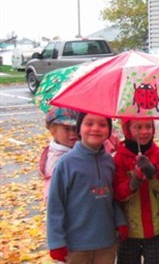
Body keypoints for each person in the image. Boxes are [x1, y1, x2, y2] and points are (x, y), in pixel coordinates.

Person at [47, 112, 127, 264]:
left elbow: (111, 197)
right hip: (76, 246)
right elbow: (55, 206)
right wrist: (56, 242)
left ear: (109, 131)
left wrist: (120, 221)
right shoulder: (66, 164)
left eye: (102, 125)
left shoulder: (109, 162)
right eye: (89, 124)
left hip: (106, 243)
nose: (95, 129)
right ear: (79, 129)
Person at [113, 119, 159, 264]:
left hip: (155, 228)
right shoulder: (120, 159)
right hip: (128, 231)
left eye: (148, 126)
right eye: (138, 127)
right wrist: (133, 183)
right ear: (127, 130)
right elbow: (118, 194)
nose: (144, 132)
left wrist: (153, 172)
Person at [39, 106, 80, 204]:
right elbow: (51, 198)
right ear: (53, 131)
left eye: (75, 128)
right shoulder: (58, 160)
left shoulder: (73, 149)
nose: (72, 133)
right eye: (66, 129)